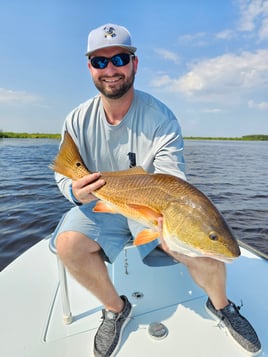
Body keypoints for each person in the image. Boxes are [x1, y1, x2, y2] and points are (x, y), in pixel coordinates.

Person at [53, 23, 261, 357]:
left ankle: (222, 306)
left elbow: (170, 179)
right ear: (90, 68)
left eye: (120, 58)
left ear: (135, 64)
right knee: (68, 245)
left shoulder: (161, 118)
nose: (111, 69)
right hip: (101, 205)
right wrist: (76, 191)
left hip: (151, 214)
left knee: (206, 248)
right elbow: (64, 176)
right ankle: (116, 309)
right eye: (100, 61)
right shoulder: (76, 119)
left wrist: (168, 226)